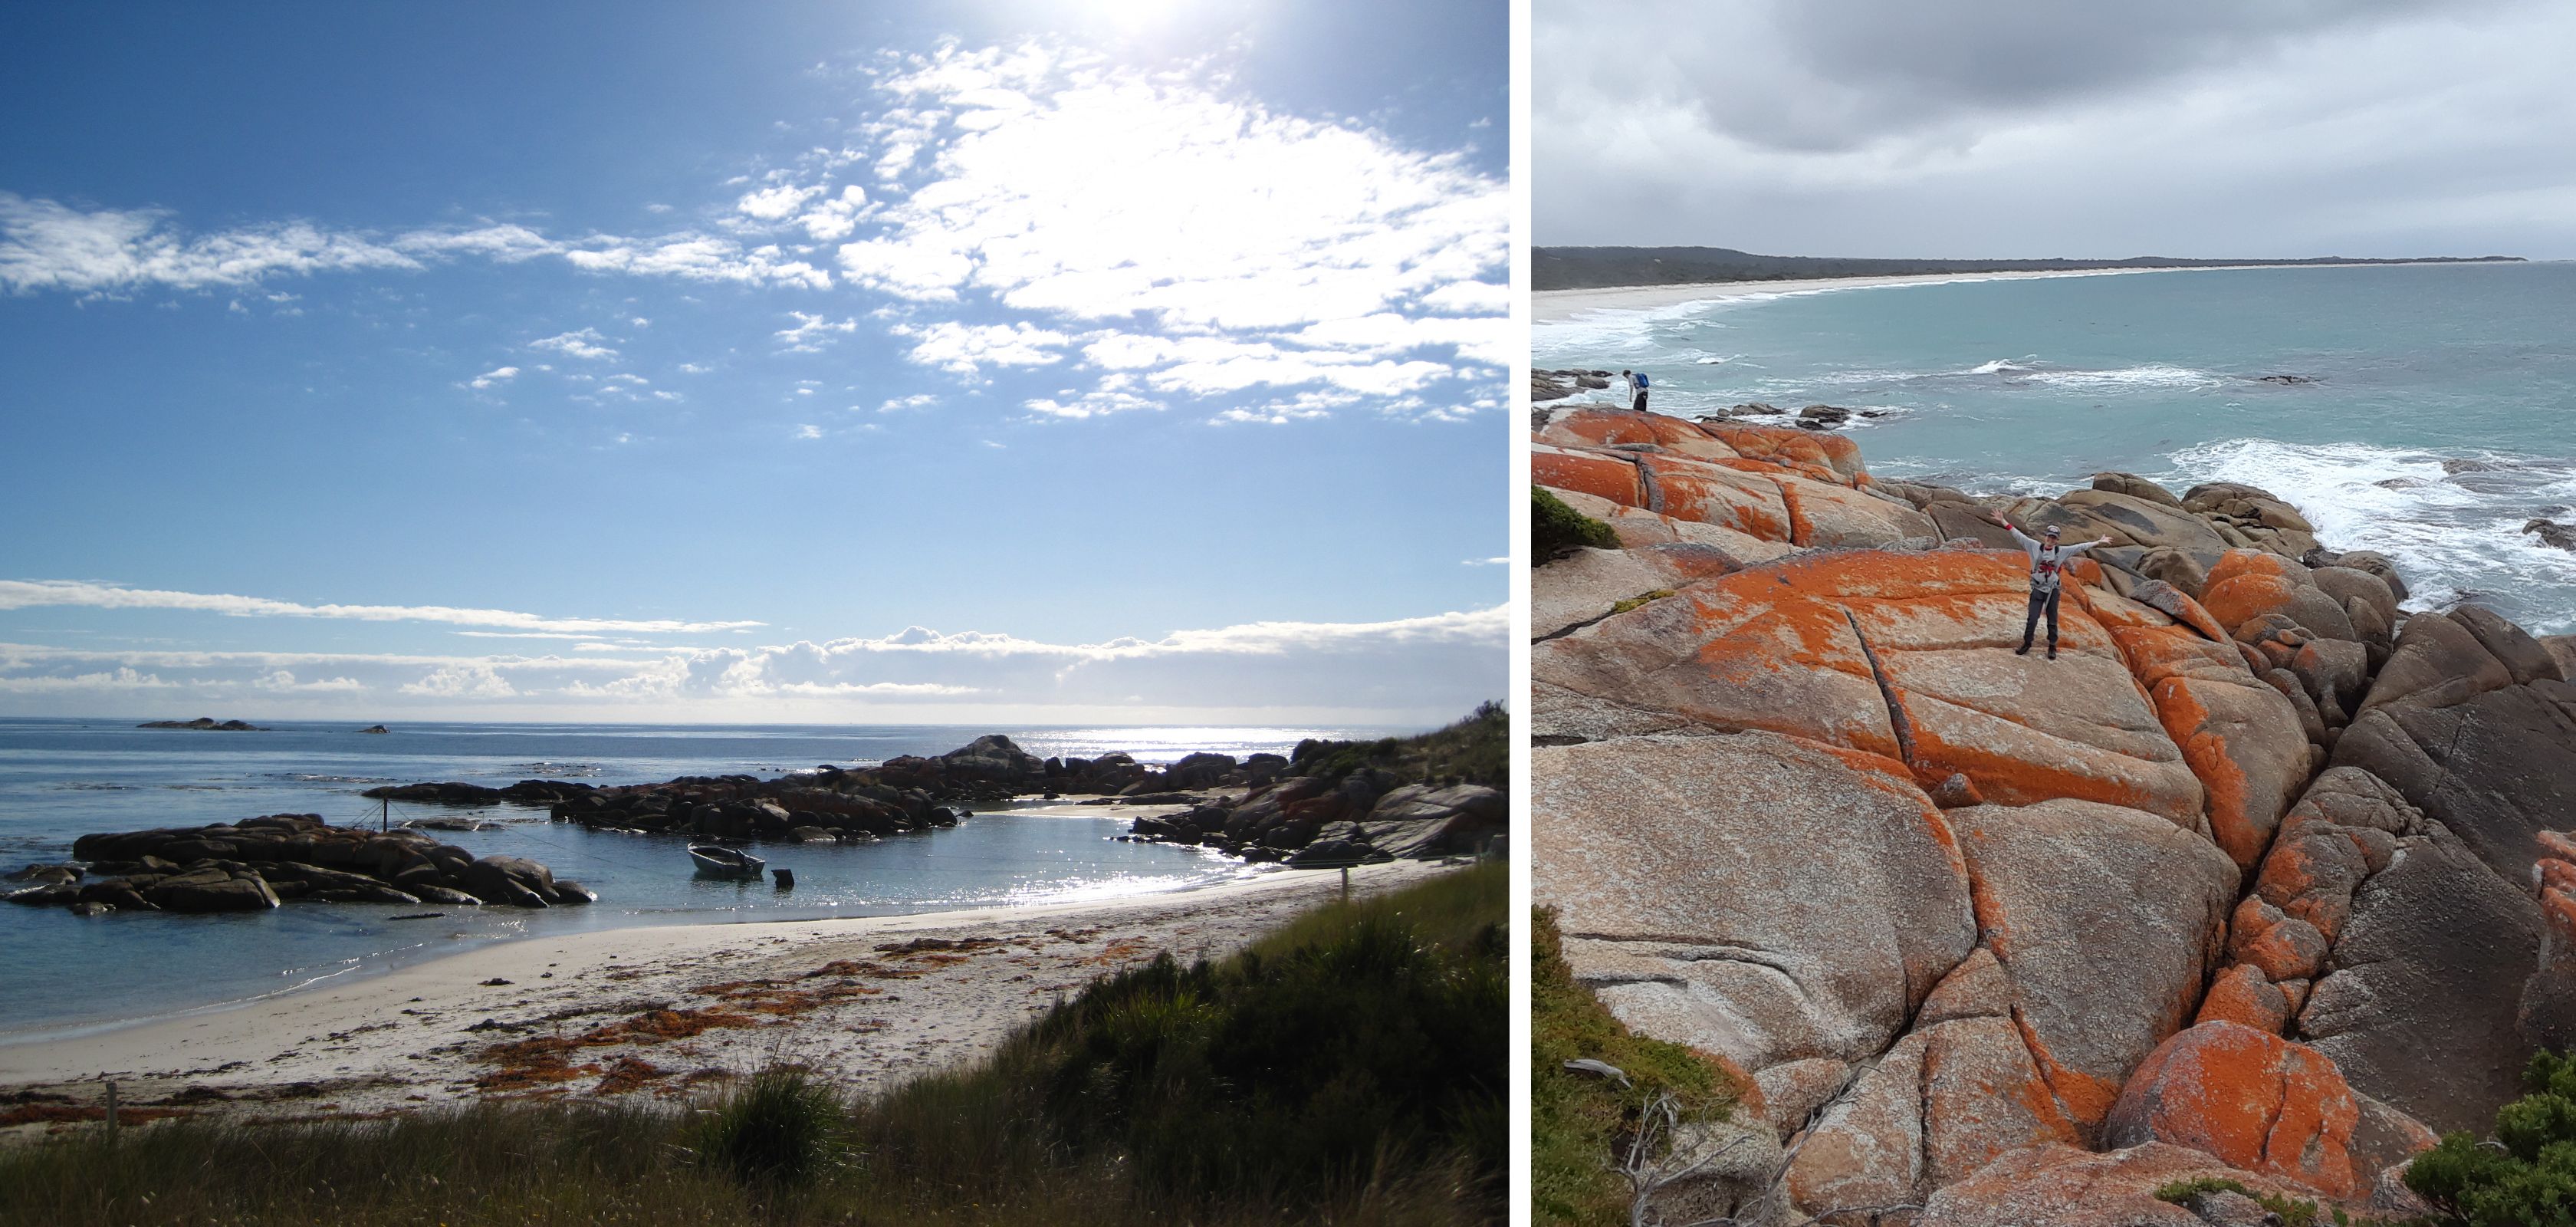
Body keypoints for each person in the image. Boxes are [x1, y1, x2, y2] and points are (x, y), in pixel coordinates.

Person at [1986, 511, 2113, 660]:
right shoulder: (2034, 546)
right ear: (2045, 537)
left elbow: (2080, 547)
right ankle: (2027, 643)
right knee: (2032, 619)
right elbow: (2018, 535)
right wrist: (2003, 521)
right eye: (2049, 536)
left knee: (2052, 620)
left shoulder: (2061, 551)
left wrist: (2098, 542)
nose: (2051, 540)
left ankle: (2052, 646)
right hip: (2038, 589)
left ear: (2057, 540)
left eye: (2054, 538)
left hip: (2053, 590)